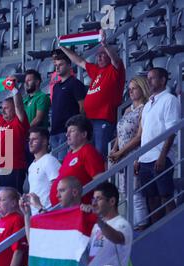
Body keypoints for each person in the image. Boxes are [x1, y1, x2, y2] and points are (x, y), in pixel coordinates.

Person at [60, 30, 126, 158]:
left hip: (104, 119)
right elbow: (79, 62)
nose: (99, 57)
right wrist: (63, 48)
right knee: (88, 155)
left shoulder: (115, 69)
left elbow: (116, 60)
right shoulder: (97, 71)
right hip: (89, 120)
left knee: (100, 154)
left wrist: (105, 45)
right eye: (98, 55)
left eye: (102, 54)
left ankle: (103, 178)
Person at [20, 176, 88, 266]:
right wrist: (27, 215)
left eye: (62, 190)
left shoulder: (84, 215)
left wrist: (40, 207)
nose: (57, 195)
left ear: (75, 192)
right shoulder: (60, 217)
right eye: (57, 191)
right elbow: (35, 244)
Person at [136, 67, 180, 224]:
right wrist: (138, 157)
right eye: (148, 78)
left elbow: (171, 130)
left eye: (152, 78)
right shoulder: (148, 104)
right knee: (151, 199)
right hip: (145, 158)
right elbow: (145, 134)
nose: (148, 81)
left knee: (166, 196)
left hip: (161, 156)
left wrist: (162, 156)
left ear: (163, 80)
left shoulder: (169, 100)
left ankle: (176, 231)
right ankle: (157, 235)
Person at [108, 76, 150, 230]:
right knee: (124, 191)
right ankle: (131, 224)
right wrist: (114, 149)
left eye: (134, 88)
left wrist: (121, 153)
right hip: (122, 155)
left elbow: (139, 136)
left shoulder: (145, 108)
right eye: (130, 89)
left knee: (136, 192)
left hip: (134, 154)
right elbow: (120, 133)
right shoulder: (127, 110)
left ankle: (141, 224)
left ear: (142, 88)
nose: (131, 92)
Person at [82, 182, 133, 266]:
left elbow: (117, 238)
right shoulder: (94, 226)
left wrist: (98, 221)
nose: (93, 203)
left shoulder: (122, 224)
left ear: (112, 201)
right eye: (93, 199)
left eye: (98, 199)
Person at [50, 115, 105, 207]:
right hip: (65, 210)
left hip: (79, 210)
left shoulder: (88, 151)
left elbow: (100, 181)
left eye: (72, 131)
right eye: (67, 132)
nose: (67, 134)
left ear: (84, 134)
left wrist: (94, 206)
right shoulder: (69, 154)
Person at [50, 50, 87, 161]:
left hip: (67, 132)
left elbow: (82, 107)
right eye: (56, 65)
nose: (57, 68)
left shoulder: (75, 83)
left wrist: (78, 127)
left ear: (69, 65)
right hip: (54, 132)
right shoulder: (56, 86)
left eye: (60, 64)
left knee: (64, 164)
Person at [26, 127, 60, 215]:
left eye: (34, 139)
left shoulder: (50, 160)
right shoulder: (31, 166)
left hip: (48, 212)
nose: (30, 143)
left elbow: (57, 187)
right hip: (35, 214)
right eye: (29, 139)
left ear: (45, 141)